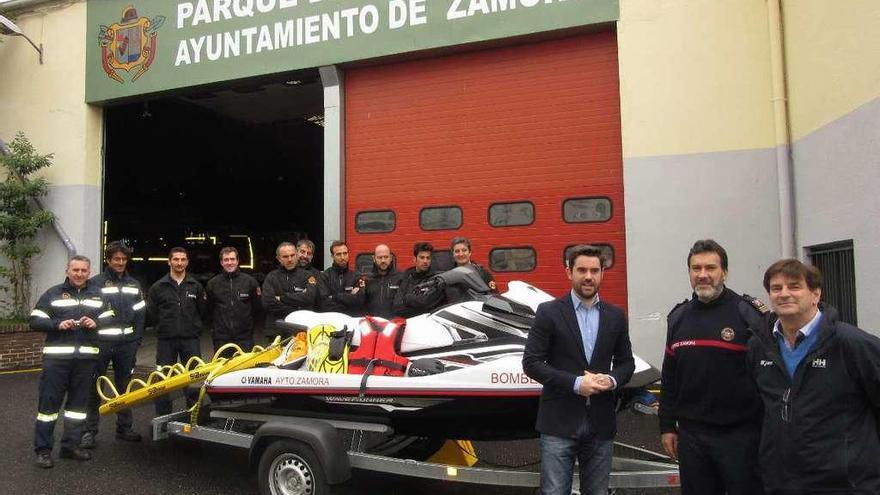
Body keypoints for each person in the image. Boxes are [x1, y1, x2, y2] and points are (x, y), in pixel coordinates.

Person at [748, 259, 880, 494]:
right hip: (782, 482)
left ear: (815, 294)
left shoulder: (851, 344)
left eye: (794, 286)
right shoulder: (759, 346)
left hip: (844, 484)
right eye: (776, 288)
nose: (784, 294)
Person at [522, 245, 634, 495]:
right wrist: (575, 383)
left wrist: (611, 380)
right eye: (581, 270)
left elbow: (627, 363)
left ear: (603, 273)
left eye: (595, 270)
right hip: (558, 423)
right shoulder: (549, 312)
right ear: (568, 272)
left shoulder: (615, 316)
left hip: (601, 423)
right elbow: (531, 362)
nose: (588, 276)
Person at [657, 239, 766, 495]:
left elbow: (767, 376)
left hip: (741, 435)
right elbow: (670, 376)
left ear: (724, 272)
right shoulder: (678, 317)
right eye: (696, 268)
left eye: (710, 268)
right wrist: (666, 426)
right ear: (689, 273)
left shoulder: (748, 314)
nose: (703, 275)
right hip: (692, 436)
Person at [30, 255, 115, 468]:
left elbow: (110, 316)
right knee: (48, 407)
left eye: (83, 270)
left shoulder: (97, 295)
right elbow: (35, 319)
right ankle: (43, 450)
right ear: (67, 270)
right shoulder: (53, 293)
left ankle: (70, 446)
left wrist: (95, 322)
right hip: (57, 361)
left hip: (86, 361)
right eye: (75, 270)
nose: (79, 274)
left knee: (77, 407)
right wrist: (58, 324)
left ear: (89, 272)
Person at [81, 242, 146, 450]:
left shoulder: (134, 284)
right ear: (108, 260)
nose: (120, 262)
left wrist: (136, 340)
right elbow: (88, 314)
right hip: (100, 343)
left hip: (126, 345)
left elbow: (140, 315)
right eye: (116, 259)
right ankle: (88, 432)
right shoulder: (95, 283)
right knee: (95, 386)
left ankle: (124, 428)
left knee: (124, 386)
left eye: (123, 259)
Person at [147, 247, 207, 416]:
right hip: (166, 340)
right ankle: (163, 417)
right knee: (164, 378)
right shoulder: (158, 287)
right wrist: (163, 328)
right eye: (176, 259)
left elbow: (202, 311)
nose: (179, 263)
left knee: (194, 378)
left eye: (183, 259)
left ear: (187, 262)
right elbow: (152, 313)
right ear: (169, 261)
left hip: (190, 340)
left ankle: (195, 414)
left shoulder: (195, 286)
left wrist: (194, 327)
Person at [206, 246, 261, 358]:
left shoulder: (250, 282)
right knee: (222, 371)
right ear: (221, 262)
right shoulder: (213, 284)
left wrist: (248, 327)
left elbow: (257, 308)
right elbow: (208, 310)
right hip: (221, 338)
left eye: (232, 259)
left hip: (244, 337)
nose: (229, 263)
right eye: (226, 260)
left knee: (244, 371)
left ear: (237, 261)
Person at [262, 241, 317, 338]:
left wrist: (282, 298)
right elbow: (267, 303)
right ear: (278, 259)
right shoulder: (271, 277)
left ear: (296, 255)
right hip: (276, 332)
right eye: (285, 256)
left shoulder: (308, 276)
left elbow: (309, 297)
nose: (290, 259)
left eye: (292, 255)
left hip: (300, 331)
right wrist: (297, 308)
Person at [392, 242, 446, 318]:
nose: (425, 261)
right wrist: (419, 306)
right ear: (414, 259)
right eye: (422, 257)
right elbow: (397, 308)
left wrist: (408, 299)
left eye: (428, 258)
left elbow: (429, 307)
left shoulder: (436, 279)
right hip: (409, 325)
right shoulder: (406, 278)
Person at [317, 240, 365, 315]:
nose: (342, 257)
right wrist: (349, 298)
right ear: (332, 256)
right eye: (338, 254)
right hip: (330, 320)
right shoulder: (324, 276)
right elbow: (324, 304)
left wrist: (334, 296)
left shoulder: (356, 277)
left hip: (350, 320)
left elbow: (359, 302)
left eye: (345, 253)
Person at [446, 236, 497, 303]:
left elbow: (494, 297)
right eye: (457, 251)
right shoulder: (448, 277)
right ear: (453, 254)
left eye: (464, 250)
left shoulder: (483, 274)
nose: (461, 254)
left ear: (470, 252)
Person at [362, 244, 402, 319]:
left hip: (394, 326)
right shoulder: (367, 280)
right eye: (380, 257)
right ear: (374, 259)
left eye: (386, 257)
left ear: (390, 258)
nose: (383, 260)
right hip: (373, 325)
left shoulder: (401, 278)